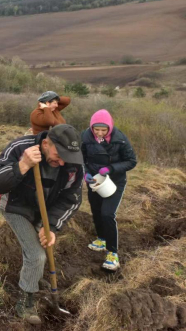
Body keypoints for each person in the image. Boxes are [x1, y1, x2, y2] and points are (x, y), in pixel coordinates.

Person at [0, 124, 84, 325]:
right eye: (58, 154)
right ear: (46, 143)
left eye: (67, 156)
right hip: (15, 205)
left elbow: (71, 199)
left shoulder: (73, 163)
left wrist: (51, 226)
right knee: (37, 254)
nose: (62, 161)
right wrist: (22, 165)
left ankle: (34, 277)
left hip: (44, 209)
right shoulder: (19, 147)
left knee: (44, 243)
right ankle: (25, 301)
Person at [81, 109, 137, 271]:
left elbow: (131, 161)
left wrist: (111, 168)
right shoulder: (85, 137)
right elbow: (80, 158)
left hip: (114, 181)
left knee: (107, 214)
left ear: (109, 128)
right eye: (96, 129)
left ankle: (112, 253)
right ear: (91, 128)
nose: (99, 133)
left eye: (103, 130)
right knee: (97, 211)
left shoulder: (120, 140)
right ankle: (101, 239)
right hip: (95, 181)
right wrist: (86, 173)